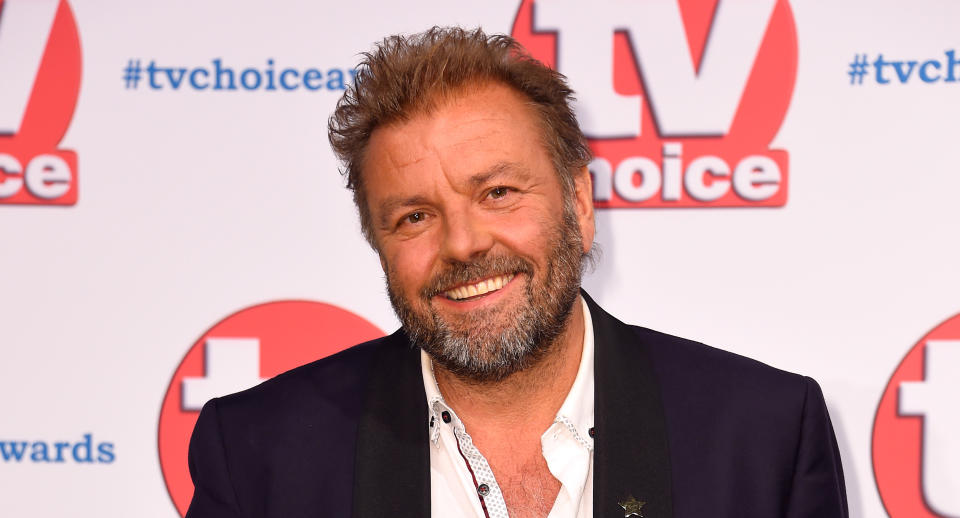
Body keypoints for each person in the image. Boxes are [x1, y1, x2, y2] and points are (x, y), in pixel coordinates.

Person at [185, 27, 848, 518]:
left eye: (498, 192)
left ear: (580, 205)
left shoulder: (763, 438)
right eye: (415, 217)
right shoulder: (258, 455)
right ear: (377, 241)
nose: (465, 245)